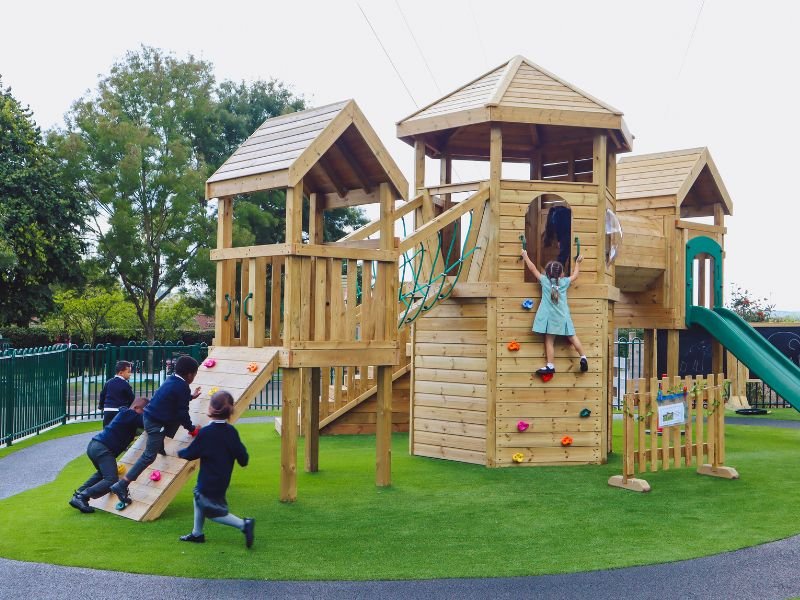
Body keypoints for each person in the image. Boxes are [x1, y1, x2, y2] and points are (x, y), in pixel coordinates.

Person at [109, 355, 201, 507]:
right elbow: (182, 413)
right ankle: (122, 485)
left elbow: (171, 398)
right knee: (148, 457)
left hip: (148, 417)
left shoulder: (172, 380)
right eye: (195, 375)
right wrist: (191, 429)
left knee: (167, 425)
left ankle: (160, 446)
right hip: (156, 424)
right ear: (190, 374)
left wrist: (190, 397)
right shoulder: (182, 386)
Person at [177, 391, 255, 548]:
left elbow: (192, 453)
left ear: (211, 408)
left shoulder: (206, 433)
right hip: (222, 479)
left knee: (213, 512)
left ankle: (244, 524)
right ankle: (197, 534)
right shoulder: (231, 432)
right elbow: (242, 454)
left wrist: (179, 453)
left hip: (208, 480)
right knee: (198, 499)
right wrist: (243, 461)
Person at [69, 397, 148, 513]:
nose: (145, 414)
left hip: (95, 446)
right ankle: (82, 497)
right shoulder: (130, 414)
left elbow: (138, 429)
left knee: (102, 474)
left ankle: (79, 494)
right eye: (144, 411)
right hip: (103, 448)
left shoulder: (126, 416)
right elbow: (146, 422)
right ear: (136, 408)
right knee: (111, 479)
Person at [520, 249, 589, 376]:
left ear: (547, 273)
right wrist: (578, 263)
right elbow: (575, 275)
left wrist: (525, 256)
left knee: (549, 340)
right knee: (572, 336)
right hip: (563, 317)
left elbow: (532, 268)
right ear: (562, 273)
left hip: (550, 319)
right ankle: (583, 357)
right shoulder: (564, 282)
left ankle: (550, 365)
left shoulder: (544, 281)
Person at [99, 360, 135, 426]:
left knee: (107, 431)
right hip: (120, 411)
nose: (130, 374)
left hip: (108, 410)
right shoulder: (125, 384)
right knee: (120, 430)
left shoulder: (108, 382)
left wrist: (101, 406)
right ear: (121, 373)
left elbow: (102, 395)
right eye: (129, 372)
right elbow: (131, 398)